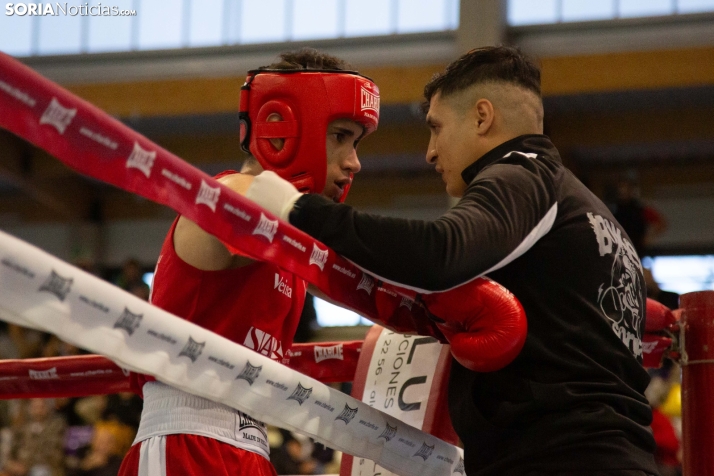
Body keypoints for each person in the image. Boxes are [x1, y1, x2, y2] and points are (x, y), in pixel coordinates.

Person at [243, 46, 660, 475]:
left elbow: (440, 253)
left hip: (561, 459)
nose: (430, 153)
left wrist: (301, 210)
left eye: (436, 128)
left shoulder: (522, 175)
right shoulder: (593, 214)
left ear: (482, 117)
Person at [117, 48, 379, 476]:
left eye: (355, 142)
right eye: (340, 137)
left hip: (250, 442)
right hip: (189, 441)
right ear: (286, 129)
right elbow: (362, 267)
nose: (354, 162)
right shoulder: (234, 196)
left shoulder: (293, 240)